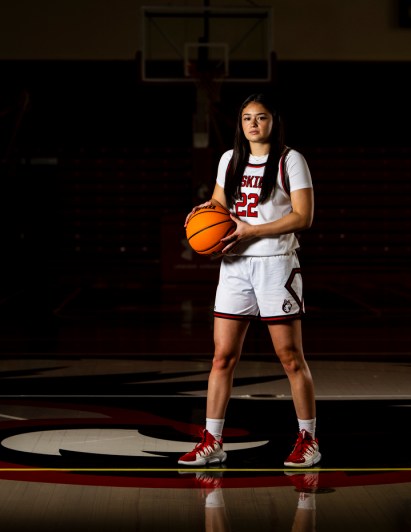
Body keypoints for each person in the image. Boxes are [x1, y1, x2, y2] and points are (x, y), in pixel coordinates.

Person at [178, 93, 320, 468]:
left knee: (290, 358)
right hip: (236, 266)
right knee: (222, 357)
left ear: (274, 120)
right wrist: (205, 214)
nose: (253, 124)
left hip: (276, 265)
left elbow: (303, 217)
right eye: (246, 118)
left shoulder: (291, 160)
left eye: (261, 117)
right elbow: (220, 207)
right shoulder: (230, 160)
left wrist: (253, 231)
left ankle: (308, 439)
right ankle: (212, 441)